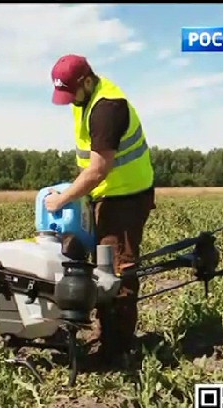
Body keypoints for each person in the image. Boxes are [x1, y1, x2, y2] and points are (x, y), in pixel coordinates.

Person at [43, 54, 156, 369]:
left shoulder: (108, 107)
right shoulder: (84, 100)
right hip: (104, 194)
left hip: (126, 197)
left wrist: (63, 199)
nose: (68, 101)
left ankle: (116, 353)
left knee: (117, 273)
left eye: (71, 93)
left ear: (87, 81)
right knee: (97, 268)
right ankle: (102, 334)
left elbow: (98, 169)